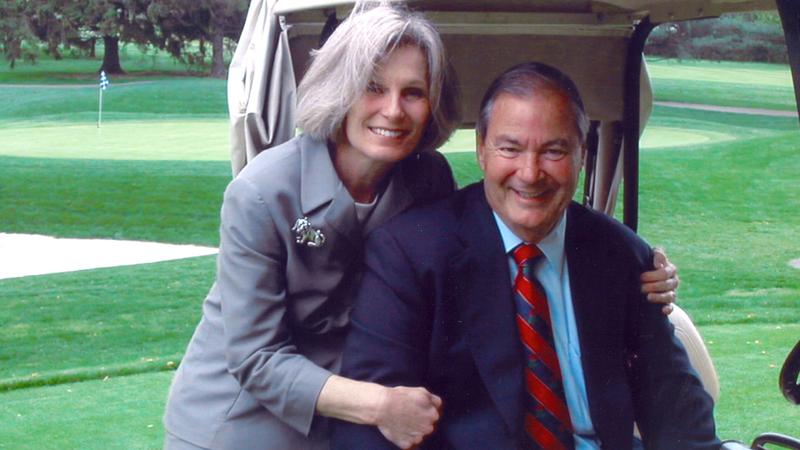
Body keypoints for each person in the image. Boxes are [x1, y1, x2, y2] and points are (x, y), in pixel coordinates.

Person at [163, 3, 680, 449]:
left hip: (360, 406)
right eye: (373, 87)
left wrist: (634, 267)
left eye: (413, 92)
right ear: (341, 88)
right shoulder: (262, 193)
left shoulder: (427, 178)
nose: (393, 110)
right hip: (243, 419)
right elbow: (256, 359)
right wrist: (378, 403)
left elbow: (486, 245)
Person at [331, 62, 719, 450]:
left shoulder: (621, 254)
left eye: (553, 150)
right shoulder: (410, 254)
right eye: (510, 148)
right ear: (482, 149)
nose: (530, 173)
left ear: (581, 154)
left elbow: (677, 408)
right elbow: (369, 431)